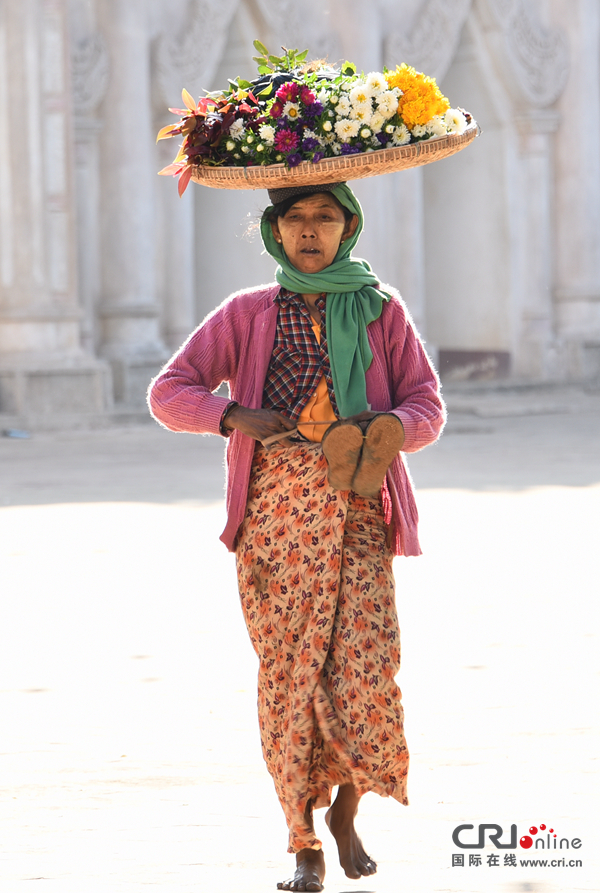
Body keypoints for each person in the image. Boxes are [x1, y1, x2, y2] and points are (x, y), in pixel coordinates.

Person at [148, 181, 445, 892]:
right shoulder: (247, 314)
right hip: (276, 522)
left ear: (349, 227)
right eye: (297, 219)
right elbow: (169, 391)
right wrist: (233, 415)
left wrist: (388, 429)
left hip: (360, 513)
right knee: (290, 678)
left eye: (326, 217)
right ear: (274, 232)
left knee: (367, 673)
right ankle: (302, 839)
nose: (310, 231)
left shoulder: (381, 310)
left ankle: (346, 808)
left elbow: (426, 405)